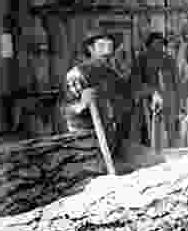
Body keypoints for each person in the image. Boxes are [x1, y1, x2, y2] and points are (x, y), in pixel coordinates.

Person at [62, 31, 164, 174]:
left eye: (109, 45)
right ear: (90, 49)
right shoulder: (77, 74)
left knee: (156, 162)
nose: (107, 49)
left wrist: (153, 92)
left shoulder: (110, 74)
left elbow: (130, 90)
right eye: (101, 45)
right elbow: (67, 110)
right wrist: (82, 104)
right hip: (89, 147)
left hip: (114, 142)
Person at [132, 32, 180, 148]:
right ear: (149, 45)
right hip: (150, 100)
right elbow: (136, 82)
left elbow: (176, 81)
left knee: (171, 130)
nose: (158, 47)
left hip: (169, 98)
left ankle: (171, 150)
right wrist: (150, 91)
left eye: (160, 44)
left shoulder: (169, 59)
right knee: (152, 131)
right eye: (155, 44)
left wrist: (179, 104)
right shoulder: (142, 59)